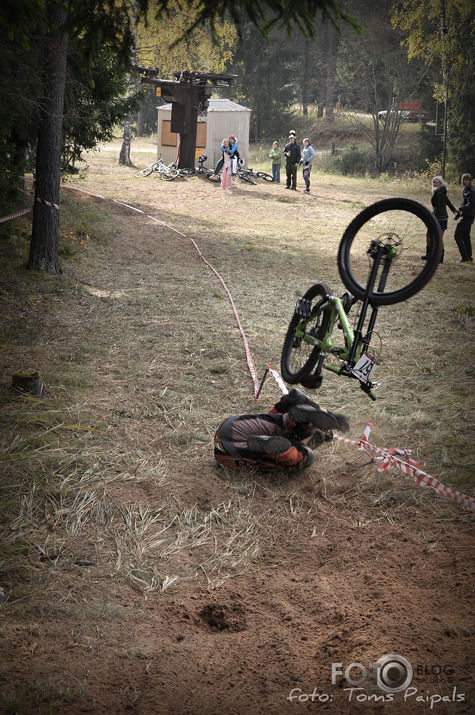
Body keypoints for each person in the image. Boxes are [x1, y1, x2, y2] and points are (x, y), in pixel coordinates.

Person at [214, 389, 349, 470]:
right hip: (229, 452)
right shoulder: (302, 447)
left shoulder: (282, 427)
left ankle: (299, 404)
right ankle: (270, 443)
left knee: (280, 422)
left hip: (231, 429)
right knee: (304, 457)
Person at [422, 175, 456, 264]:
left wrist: (433, 217)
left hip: (438, 218)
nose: (434, 184)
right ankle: (434, 256)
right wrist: (454, 210)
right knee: (434, 236)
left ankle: (435, 257)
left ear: (440, 183)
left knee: (433, 236)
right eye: (433, 182)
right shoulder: (442, 191)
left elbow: (439, 206)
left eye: (436, 182)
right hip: (442, 218)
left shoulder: (439, 193)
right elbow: (448, 202)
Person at [453, 173, 475, 263]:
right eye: (463, 179)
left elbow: (470, 204)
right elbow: (463, 204)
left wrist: (460, 209)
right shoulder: (464, 190)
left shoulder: (472, 191)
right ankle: (468, 257)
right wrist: (458, 215)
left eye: (466, 180)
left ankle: (464, 256)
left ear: (470, 181)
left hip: (468, 217)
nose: (464, 181)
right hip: (465, 216)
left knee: (457, 235)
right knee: (466, 236)